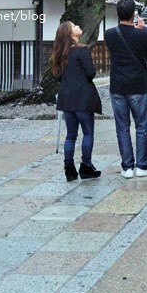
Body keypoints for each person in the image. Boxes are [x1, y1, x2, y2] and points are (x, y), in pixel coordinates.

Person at [104, 0, 147, 178]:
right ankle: (142, 166)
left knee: (122, 127)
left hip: (118, 86)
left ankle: (127, 167)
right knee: (142, 126)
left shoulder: (109, 34)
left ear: (117, 13)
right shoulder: (142, 34)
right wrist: (144, 30)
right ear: (134, 14)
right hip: (138, 85)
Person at [51, 21, 102, 182]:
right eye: (74, 26)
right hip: (83, 97)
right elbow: (90, 72)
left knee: (70, 135)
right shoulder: (81, 50)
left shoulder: (59, 55)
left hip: (67, 98)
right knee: (87, 133)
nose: (78, 27)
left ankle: (69, 168)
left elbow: (58, 76)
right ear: (70, 34)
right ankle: (86, 166)